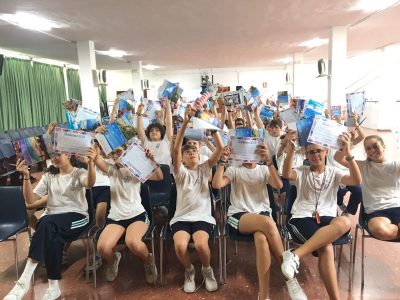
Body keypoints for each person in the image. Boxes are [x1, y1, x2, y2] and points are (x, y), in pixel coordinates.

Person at [212, 146, 307, 300]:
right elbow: (217, 184)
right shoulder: (235, 169)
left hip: (261, 214)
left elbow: (278, 185)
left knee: (262, 239)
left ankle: (263, 296)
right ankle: (290, 279)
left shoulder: (263, 169)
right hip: (238, 216)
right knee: (269, 224)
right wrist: (223, 160)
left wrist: (269, 161)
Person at [4, 149, 97, 300]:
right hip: (53, 221)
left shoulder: (78, 173)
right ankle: (54, 288)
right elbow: (31, 201)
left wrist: (91, 164)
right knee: (53, 238)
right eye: (52, 156)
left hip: (78, 217)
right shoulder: (49, 175)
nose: (54, 158)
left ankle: (23, 282)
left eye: (57, 155)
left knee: (45, 223)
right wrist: (26, 177)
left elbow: (90, 182)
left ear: (68, 154)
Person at [281, 130, 361, 300]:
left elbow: (356, 181)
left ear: (326, 152)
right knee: (325, 247)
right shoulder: (301, 171)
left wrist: (348, 155)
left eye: (319, 151)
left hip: (327, 217)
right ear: (306, 154)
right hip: (301, 217)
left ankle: (295, 255)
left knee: (345, 222)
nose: (315, 154)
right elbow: (286, 175)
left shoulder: (334, 172)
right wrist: (289, 150)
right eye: (311, 152)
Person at [92, 134, 163, 284]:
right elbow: (96, 158)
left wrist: (151, 161)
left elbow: (159, 177)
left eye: (119, 152)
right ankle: (113, 260)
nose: (116, 155)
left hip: (136, 215)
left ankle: (148, 261)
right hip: (116, 217)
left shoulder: (135, 169)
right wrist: (96, 138)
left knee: (133, 243)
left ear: (126, 153)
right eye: (113, 154)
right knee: (103, 247)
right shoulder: (111, 170)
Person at [171, 105, 223, 293]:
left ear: (199, 156)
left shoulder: (205, 168)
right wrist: (184, 123)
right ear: (183, 159)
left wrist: (212, 128)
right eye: (187, 152)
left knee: (201, 244)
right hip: (182, 217)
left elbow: (221, 148)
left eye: (194, 151)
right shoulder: (180, 172)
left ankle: (207, 270)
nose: (191, 152)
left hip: (202, 216)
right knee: (180, 246)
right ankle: (189, 270)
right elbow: (176, 148)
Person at [335, 135, 400, 241]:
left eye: (375, 146)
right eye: (368, 148)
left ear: (383, 146)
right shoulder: (363, 166)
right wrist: (345, 146)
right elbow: (338, 158)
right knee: (381, 231)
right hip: (375, 210)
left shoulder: (396, 165)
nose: (372, 150)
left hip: (397, 206)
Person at [136, 98, 173, 169]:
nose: (154, 132)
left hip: (165, 172)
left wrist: (168, 105)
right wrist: (139, 114)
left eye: (157, 130)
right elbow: (140, 129)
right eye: (151, 131)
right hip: (150, 173)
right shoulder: (146, 141)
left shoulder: (166, 139)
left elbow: (169, 124)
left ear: (161, 133)